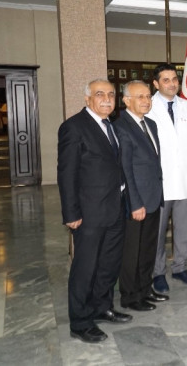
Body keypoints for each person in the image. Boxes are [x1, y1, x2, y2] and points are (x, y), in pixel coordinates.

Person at [57, 79, 132, 343]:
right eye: (100, 94)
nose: (107, 99)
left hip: (114, 208)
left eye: (111, 94)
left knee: (108, 265)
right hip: (89, 213)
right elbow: (66, 174)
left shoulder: (110, 126)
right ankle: (80, 322)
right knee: (85, 268)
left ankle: (102, 307)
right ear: (87, 98)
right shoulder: (74, 127)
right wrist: (71, 213)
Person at [114, 81, 168, 312]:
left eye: (148, 96)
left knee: (147, 249)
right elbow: (126, 170)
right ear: (126, 101)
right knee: (132, 253)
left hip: (153, 197)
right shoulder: (121, 127)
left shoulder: (150, 124)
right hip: (135, 203)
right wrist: (135, 203)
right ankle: (130, 296)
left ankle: (145, 289)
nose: (146, 101)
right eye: (140, 97)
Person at [146, 64, 187, 293]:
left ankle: (180, 267)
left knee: (183, 228)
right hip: (160, 180)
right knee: (158, 232)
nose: (172, 83)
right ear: (156, 84)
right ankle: (158, 272)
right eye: (166, 80)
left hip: (185, 177)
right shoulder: (148, 107)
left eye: (174, 79)